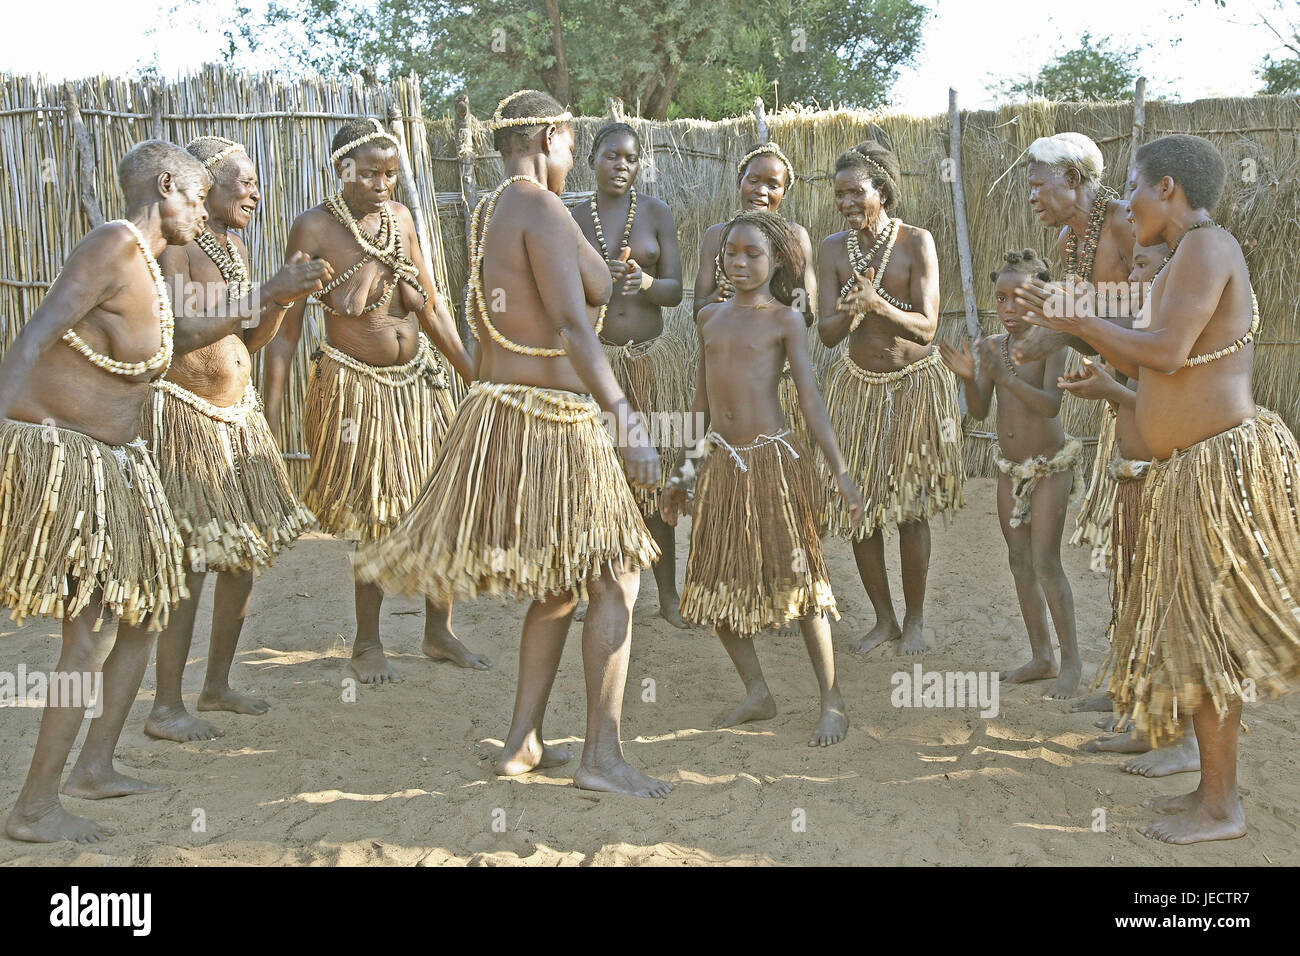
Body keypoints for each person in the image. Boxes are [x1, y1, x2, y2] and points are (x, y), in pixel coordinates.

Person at [0, 140, 328, 842]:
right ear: (167, 184)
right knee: (86, 636)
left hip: (119, 461)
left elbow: (187, 338)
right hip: (68, 454)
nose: (203, 210)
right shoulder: (113, 246)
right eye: (197, 193)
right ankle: (33, 807)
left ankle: (94, 767)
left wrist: (268, 295)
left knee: (144, 613)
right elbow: (34, 334)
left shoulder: (147, 269)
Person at [356, 91, 670, 797]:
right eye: (571, 144)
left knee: (563, 584)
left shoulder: (496, 208)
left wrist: (574, 224)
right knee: (617, 573)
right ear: (555, 134)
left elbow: (590, 279)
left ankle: (522, 743)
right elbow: (573, 321)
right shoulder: (539, 207)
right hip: (552, 417)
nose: (575, 157)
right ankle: (601, 756)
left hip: (508, 411)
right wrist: (626, 419)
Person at [1017, 133, 1300, 843]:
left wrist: (1077, 320)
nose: (1128, 201)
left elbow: (1169, 351)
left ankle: (1222, 806)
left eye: (1136, 187)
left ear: (1167, 187)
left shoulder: (1207, 247)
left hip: (1215, 465)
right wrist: (1098, 363)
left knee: (1210, 638)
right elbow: (1160, 365)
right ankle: (1208, 793)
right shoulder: (1183, 258)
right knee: (1191, 633)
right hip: (1186, 471)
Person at [264, 118, 486, 684]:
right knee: (374, 512)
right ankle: (367, 642)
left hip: (420, 384)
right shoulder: (313, 227)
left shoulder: (402, 218)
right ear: (341, 169)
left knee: (441, 505)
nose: (383, 183)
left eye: (390, 173)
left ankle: (439, 632)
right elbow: (288, 329)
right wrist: (268, 411)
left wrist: (476, 377)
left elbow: (432, 306)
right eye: (369, 174)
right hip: (355, 390)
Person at [663, 210, 864, 746]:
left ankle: (832, 699)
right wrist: (683, 474)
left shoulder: (785, 320)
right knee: (714, 583)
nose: (741, 263)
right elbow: (701, 405)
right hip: (721, 465)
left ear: (776, 262)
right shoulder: (709, 318)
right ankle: (757, 692)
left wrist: (840, 471)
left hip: (773, 463)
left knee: (801, 583)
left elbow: (810, 401)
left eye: (754, 254)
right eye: (732, 253)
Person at [141, 136, 317, 742]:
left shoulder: (233, 246)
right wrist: (266, 292)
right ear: (206, 185)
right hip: (189, 421)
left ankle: (214, 686)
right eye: (243, 182)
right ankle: (166, 705)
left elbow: (249, 340)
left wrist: (279, 301)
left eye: (257, 183)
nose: (255, 193)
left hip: (235, 420)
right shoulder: (178, 250)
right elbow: (181, 334)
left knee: (242, 558)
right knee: (191, 561)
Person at [819, 143, 963, 657]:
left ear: (882, 191)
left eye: (856, 192)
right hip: (858, 389)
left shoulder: (916, 243)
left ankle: (916, 618)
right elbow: (827, 333)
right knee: (861, 508)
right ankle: (884, 619)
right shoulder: (833, 248)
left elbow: (928, 328)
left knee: (909, 509)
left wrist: (879, 303)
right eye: (839, 194)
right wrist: (851, 311)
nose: (847, 202)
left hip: (913, 389)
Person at [940, 250, 1082, 699]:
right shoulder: (989, 348)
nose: (1008, 310)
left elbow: (1050, 405)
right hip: (1008, 469)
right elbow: (980, 412)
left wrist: (1005, 377)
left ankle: (1072, 662)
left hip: (1050, 467)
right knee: (1018, 561)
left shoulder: (1051, 343)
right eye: (1000, 299)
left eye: (1019, 299)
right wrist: (969, 377)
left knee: (1045, 561)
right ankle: (1042, 657)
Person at [572, 122, 688, 627]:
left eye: (631, 158)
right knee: (593, 477)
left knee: (654, 478)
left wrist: (644, 282)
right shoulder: (573, 218)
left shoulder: (657, 213)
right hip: (598, 366)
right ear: (591, 160)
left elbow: (677, 291)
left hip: (649, 362)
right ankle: (591, 590)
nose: (622, 165)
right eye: (612, 156)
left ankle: (666, 594)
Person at [1020, 132, 1138, 563]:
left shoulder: (1126, 224)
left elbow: (1160, 323)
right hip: (1122, 400)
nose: (1032, 197)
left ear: (1071, 177)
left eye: (1038, 185)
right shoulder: (1067, 244)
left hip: (1157, 399)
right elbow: (1084, 323)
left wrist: (1070, 325)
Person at [693, 142, 824, 450]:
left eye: (772, 185)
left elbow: (808, 310)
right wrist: (718, 298)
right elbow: (699, 307)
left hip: (778, 374)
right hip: (728, 372)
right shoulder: (717, 236)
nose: (761, 191)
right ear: (740, 179)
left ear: (784, 192)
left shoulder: (795, 237)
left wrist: (771, 296)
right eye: (753, 180)